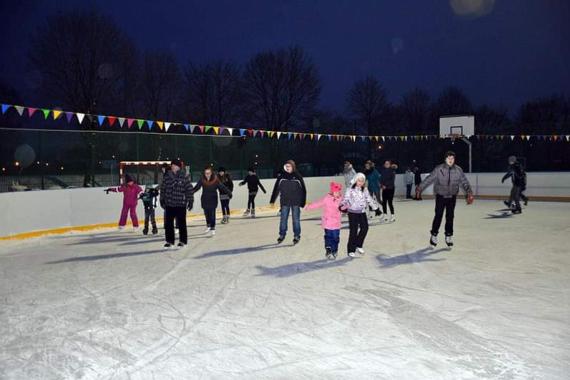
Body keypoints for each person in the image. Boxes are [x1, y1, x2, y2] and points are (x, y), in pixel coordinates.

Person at [416, 151, 474, 247]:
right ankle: (434, 235)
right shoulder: (439, 169)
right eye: (449, 158)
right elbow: (429, 179)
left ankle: (448, 235)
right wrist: (419, 188)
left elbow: (464, 182)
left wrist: (469, 192)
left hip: (452, 196)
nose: (451, 160)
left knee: (450, 217)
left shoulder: (458, 170)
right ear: (445, 159)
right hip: (440, 196)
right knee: (438, 216)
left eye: (452, 158)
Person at [339, 173, 380, 258]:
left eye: (362, 181)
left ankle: (358, 244)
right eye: (359, 180)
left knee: (365, 228)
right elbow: (345, 199)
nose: (360, 182)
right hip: (352, 212)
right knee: (353, 231)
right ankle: (351, 250)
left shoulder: (364, 189)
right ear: (355, 180)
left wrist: (376, 208)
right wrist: (341, 205)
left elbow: (369, 199)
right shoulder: (350, 189)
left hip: (362, 211)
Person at [270, 160, 307, 245]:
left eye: (289, 166)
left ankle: (296, 235)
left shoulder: (297, 176)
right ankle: (282, 235)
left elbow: (303, 190)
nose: (287, 168)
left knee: (296, 220)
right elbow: (276, 189)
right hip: (284, 201)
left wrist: (302, 202)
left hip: (295, 202)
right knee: (283, 219)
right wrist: (272, 200)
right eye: (286, 166)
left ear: (293, 167)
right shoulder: (281, 176)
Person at [159, 159, 194, 249]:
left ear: (179, 167)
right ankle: (169, 241)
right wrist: (162, 199)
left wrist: (190, 200)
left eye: (175, 165)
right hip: (169, 204)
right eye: (172, 165)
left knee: (182, 223)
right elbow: (163, 189)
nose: (174, 167)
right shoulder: (167, 176)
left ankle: (182, 241)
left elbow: (189, 189)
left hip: (180, 204)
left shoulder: (184, 176)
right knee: (168, 224)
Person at [305, 182, 344, 260]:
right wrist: (309, 207)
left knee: (336, 238)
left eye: (338, 191)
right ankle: (328, 249)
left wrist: (346, 208)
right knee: (328, 237)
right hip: (328, 222)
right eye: (335, 192)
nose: (337, 193)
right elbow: (318, 204)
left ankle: (335, 250)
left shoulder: (341, 199)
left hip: (336, 223)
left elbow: (345, 207)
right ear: (332, 191)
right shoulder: (327, 198)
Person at [192, 166, 232, 236]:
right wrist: (190, 192)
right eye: (206, 173)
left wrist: (229, 192)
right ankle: (208, 226)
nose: (207, 175)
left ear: (211, 173)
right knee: (206, 214)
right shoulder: (202, 180)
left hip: (213, 199)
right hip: (205, 199)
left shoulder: (215, 180)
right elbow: (196, 187)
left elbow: (222, 187)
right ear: (204, 173)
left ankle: (213, 228)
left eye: (208, 173)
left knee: (212, 214)